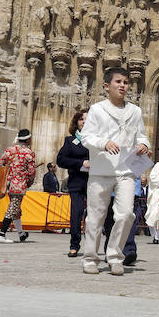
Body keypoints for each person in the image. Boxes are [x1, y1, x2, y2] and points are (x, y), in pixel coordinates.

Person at [80, 66, 150, 276]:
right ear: (107, 86)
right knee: (96, 216)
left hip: (126, 170)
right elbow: (86, 137)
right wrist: (104, 143)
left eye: (125, 82)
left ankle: (114, 255)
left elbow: (142, 136)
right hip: (102, 170)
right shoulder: (97, 109)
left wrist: (144, 145)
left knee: (126, 214)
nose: (122, 86)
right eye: (118, 82)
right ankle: (90, 257)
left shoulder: (135, 111)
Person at [57, 109, 90, 257]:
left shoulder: (96, 140)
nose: (84, 122)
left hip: (94, 182)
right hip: (77, 181)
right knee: (76, 214)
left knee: (95, 215)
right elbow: (61, 160)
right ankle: (74, 244)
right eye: (81, 119)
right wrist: (81, 163)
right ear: (76, 123)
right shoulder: (70, 141)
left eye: (87, 119)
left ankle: (93, 245)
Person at [0, 129, 37, 244]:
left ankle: (21, 234)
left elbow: (0, 164)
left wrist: (10, 173)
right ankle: (2, 234)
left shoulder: (10, 150)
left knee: (16, 208)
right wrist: (28, 181)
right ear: (28, 139)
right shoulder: (29, 153)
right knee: (13, 208)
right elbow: (31, 172)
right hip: (19, 185)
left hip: (8, 184)